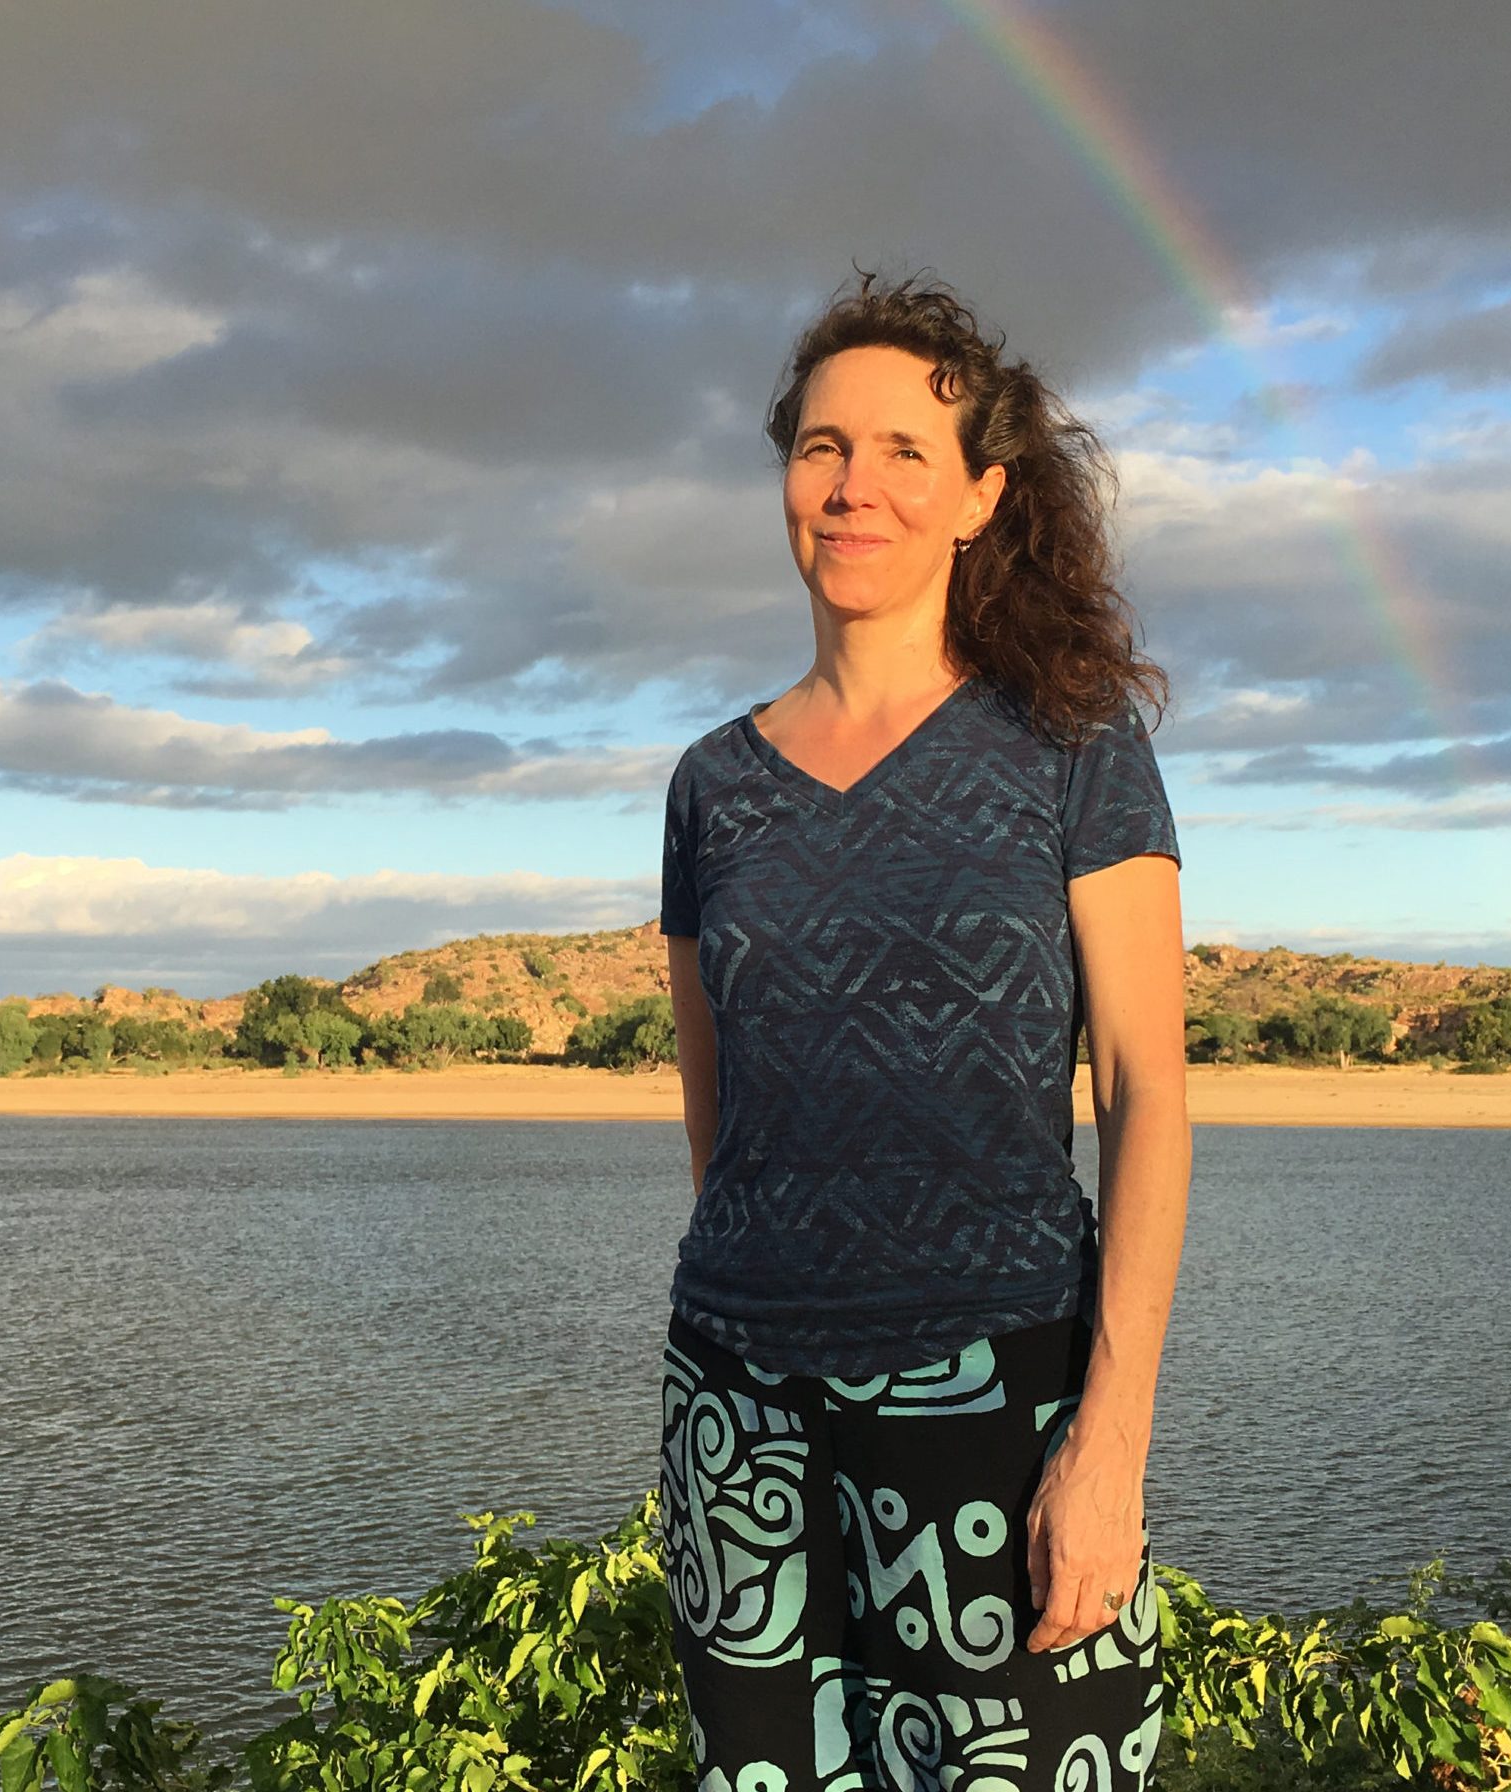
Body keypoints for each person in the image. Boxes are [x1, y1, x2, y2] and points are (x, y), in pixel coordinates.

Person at [655, 271, 1190, 1792]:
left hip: (999, 1396)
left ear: (979, 498)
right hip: (737, 1404)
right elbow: (723, 1125)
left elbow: (1147, 1095)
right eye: (823, 447)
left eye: (903, 450)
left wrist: (1109, 1446)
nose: (852, 485)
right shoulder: (714, 785)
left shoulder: (1073, 746)